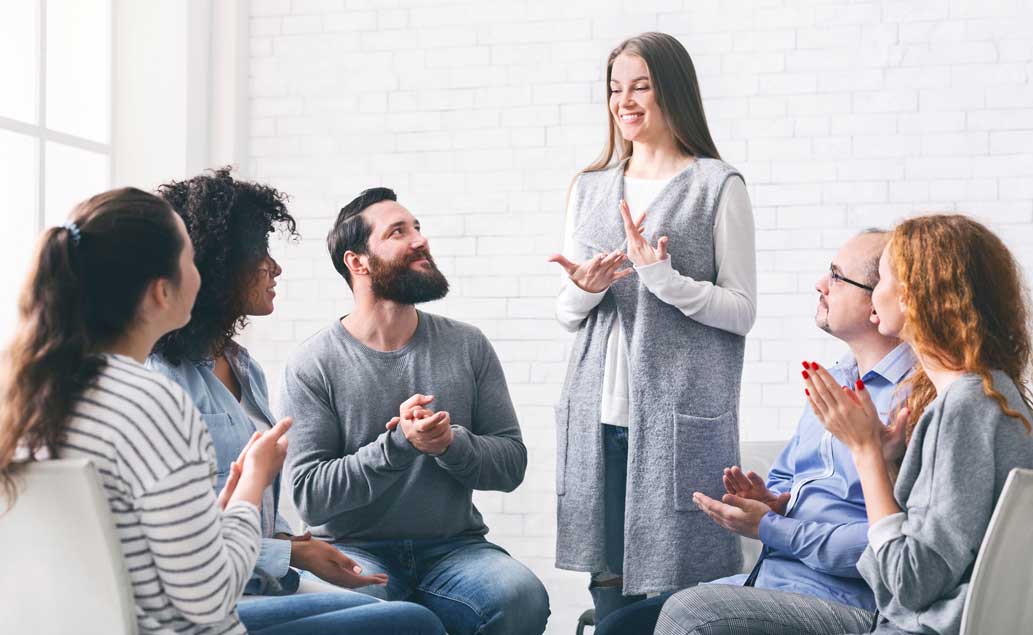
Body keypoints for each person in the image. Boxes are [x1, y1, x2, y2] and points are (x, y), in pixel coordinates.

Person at [148, 169, 445, 634]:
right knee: (413, 623)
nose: (275, 267)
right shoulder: (162, 377)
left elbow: (253, 504)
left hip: (259, 577)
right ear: (221, 264)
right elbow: (180, 537)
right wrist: (291, 552)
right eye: (260, 253)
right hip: (215, 595)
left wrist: (293, 541)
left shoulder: (245, 367)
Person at [0, 188, 285, 634]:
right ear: (160, 292)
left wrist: (224, 515)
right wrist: (253, 482)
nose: (201, 275)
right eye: (191, 260)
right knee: (413, 621)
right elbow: (210, 599)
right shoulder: (149, 403)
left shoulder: (28, 395)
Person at [547, 31, 757, 620]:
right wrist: (584, 290)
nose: (625, 101)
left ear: (674, 92)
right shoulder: (589, 187)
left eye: (641, 86)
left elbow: (740, 309)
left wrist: (661, 278)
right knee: (608, 588)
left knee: (674, 595)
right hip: (598, 416)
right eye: (616, 89)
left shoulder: (718, 185)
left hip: (677, 417)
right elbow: (565, 314)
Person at [278, 187, 550, 635]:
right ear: (357, 262)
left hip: (454, 549)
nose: (419, 240)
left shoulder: (467, 345)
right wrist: (398, 446)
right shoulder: (314, 363)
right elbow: (310, 494)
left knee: (520, 595)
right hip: (352, 549)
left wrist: (449, 443)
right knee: (361, 610)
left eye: (417, 228)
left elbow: (510, 465)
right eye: (398, 232)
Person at [637, 230, 913, 635]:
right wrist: (774, 502)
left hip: (841, 599)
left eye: (836, 276)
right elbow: (788, 478)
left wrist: (772, 527)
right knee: (619, 626)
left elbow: (892, 545)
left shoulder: (912, 401)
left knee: (688, 612)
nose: (821, 285)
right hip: (774, 579)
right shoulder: (833, 380)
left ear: (878, 301)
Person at [799, 214, 1033, 635]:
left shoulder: (967, 407)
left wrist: (865, 452)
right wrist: (890, 465)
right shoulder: (994, 393)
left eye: (884, 277)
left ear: (914, 295)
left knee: (694, 612)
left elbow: (910, 582)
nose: (874, 296)